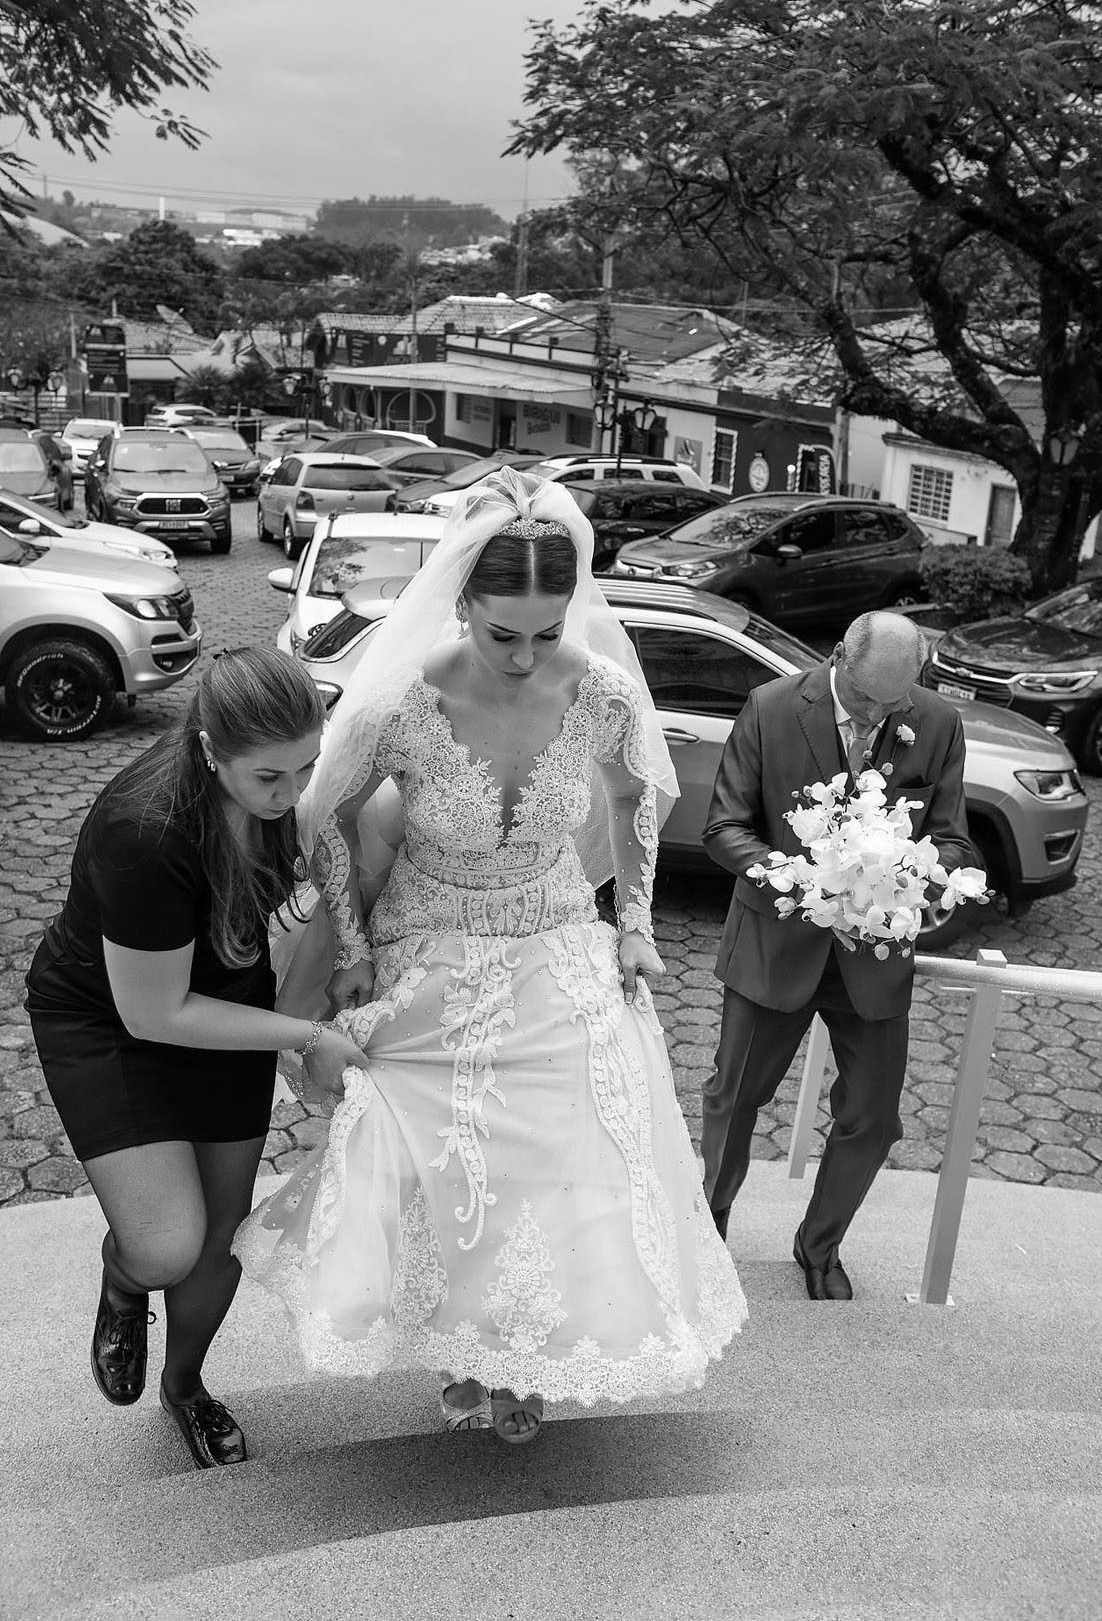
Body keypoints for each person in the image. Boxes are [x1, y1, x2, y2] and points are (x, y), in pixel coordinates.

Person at [234, 467, 747, 1444]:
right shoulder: (401, 702)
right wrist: (351, 942)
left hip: (555, 931)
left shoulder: (599, 692)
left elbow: (636, 799)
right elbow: (329, 817)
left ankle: (531, 1350)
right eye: (503, 633)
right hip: (430, 938)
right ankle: (462, 1348)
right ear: (462, 602)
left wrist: (635, 923)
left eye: (546, 634)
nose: (524, 657)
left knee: (567, 1153)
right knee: (440, 1154)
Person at [25, 647, 367, 1468]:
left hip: (222, 1006)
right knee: (165, 1246)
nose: (292, 794)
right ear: (211, 749)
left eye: (306, 768)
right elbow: (155, 1012)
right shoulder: (144, 830)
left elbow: (332, 855)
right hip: (112, 1020)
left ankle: (186, 1387)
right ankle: (124, 1273)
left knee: (221, 1236)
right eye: (270, 778)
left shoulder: (272, 786)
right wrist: (305, 1037)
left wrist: (348, 951)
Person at [700, 611, 975, 1299]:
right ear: (838, 659)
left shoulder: (939, 723)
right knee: (735, 1099)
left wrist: (910, 875)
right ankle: (706, 1230)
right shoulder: (770, 707)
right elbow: (724, 826)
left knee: (875, 1119)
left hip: (874, 957)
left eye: (895, 703)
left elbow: (953, 840)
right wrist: (796, 880)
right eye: (866, 699)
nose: (879, 715)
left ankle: (820, 1244)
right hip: (775, 945)